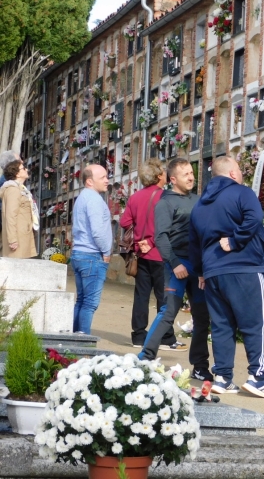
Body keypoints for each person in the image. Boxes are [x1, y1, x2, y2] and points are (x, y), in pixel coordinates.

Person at [189, 156, 264, 398]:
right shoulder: (242, 192)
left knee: (221, 326)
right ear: (231, 174)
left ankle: (223, 377)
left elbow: (194, 243)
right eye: (238, 170)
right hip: (245, 267)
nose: (241, 174)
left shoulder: (199, 205)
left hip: (213, 273)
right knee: (255, 323)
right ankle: (258, 377)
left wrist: (200, 272)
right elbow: (254, 218)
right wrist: (235, 240)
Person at [138, 158, 212, 381]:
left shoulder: (199, 201)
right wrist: (175, 263)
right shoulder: (165, 203)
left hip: (198, 267)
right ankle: (144, 359)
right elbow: (161, 238)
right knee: (168, 312)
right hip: (177, 264)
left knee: (202, 317)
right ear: (172, 180)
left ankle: (200, 366)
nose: (191, 177)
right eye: (185, 174)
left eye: (191, 172)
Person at [119, 158, 176, 349]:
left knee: (141, 296)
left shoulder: (135, 197)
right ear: (159, 175)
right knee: (164, 297)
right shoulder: (167, 197)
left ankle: (138, 337)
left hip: (141, 255)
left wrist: (139, 241)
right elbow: (171, 224)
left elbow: (125, 222)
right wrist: (151, 241)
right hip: (161, 254)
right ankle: (166, 338)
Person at [71, 164, 112, 334]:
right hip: (92, 255)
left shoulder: (82, 197)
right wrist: (106, 251)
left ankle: (73, 338)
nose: (107, 180)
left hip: (79, 253)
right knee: (89, 303)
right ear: (89, 181)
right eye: (102, 177)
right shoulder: (95, 199)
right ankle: (84, 343)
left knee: (81, 301)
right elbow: (97, 230)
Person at [0, 160, 39, 258]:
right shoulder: (13, 190)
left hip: (23, 235)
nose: (27, 169)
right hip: (17, 238)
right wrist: (12, 239)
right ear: (17, 173)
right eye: (23, 168)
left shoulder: (21, 189)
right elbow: (10, 215)